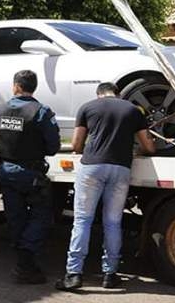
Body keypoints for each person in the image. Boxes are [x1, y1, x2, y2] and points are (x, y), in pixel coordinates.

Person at [56, 82, 155, 291]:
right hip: (120, 169)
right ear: (117, 94)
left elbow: (76, 145)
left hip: (92, 167)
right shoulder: (132, 110)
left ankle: (73, 274)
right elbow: (149, 146)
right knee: (113, 222)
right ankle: (110, 275)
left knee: (82, 221)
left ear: (99, 94)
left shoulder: (87, 107)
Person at [0, 70, 61, 284]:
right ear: (33, 87)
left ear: (15, 86)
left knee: (15, 217)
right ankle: (26, 260)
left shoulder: (0, 110)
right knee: (42, 217)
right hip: (31, 173)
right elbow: (53, 146)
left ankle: (24, 264)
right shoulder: (41, 111)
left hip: (7, 171)